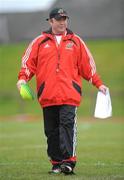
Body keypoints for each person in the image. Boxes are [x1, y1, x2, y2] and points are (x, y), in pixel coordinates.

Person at [17, 7, 107, 175]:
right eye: (58, 19)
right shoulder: (39, 42)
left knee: (67, 126)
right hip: (47, 95)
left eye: (64, 19)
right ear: (50, 21)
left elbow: (88, 66)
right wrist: (22, 79)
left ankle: (68, 162)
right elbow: (27, 64)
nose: (62, 22)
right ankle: (56, 163)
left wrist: (98, 83)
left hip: (69, 95)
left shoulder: (76, 41)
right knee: (51, 132)